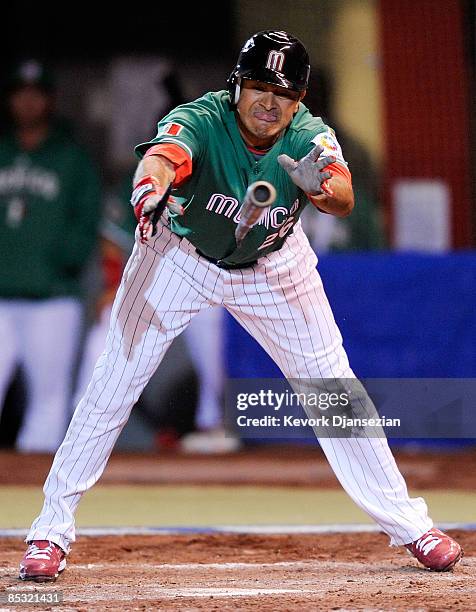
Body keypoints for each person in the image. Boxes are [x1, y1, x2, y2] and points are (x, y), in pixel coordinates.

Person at [19, 31, 462, 581]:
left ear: (299, 98)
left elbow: (343, 198)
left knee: (333, 390)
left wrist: (320, 184)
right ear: (237, 86)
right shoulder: (202, 119)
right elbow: (162, 158)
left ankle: (410, 525)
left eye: (283, 92)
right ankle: (49, 530)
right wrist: (148, 192)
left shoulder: (308, 137)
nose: (269, 102)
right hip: (179, 254)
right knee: (112, 387)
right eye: (257, 88)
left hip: (274, 266)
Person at [0, 60, 101, 453]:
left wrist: (61, 261)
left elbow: (87, 219)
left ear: (50, 100)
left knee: (49, 400)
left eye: (35, 94)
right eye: (20, 94)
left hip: (53, 296)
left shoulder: (72, 158)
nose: (27, 102)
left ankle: (33, 494)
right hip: (1, 297)